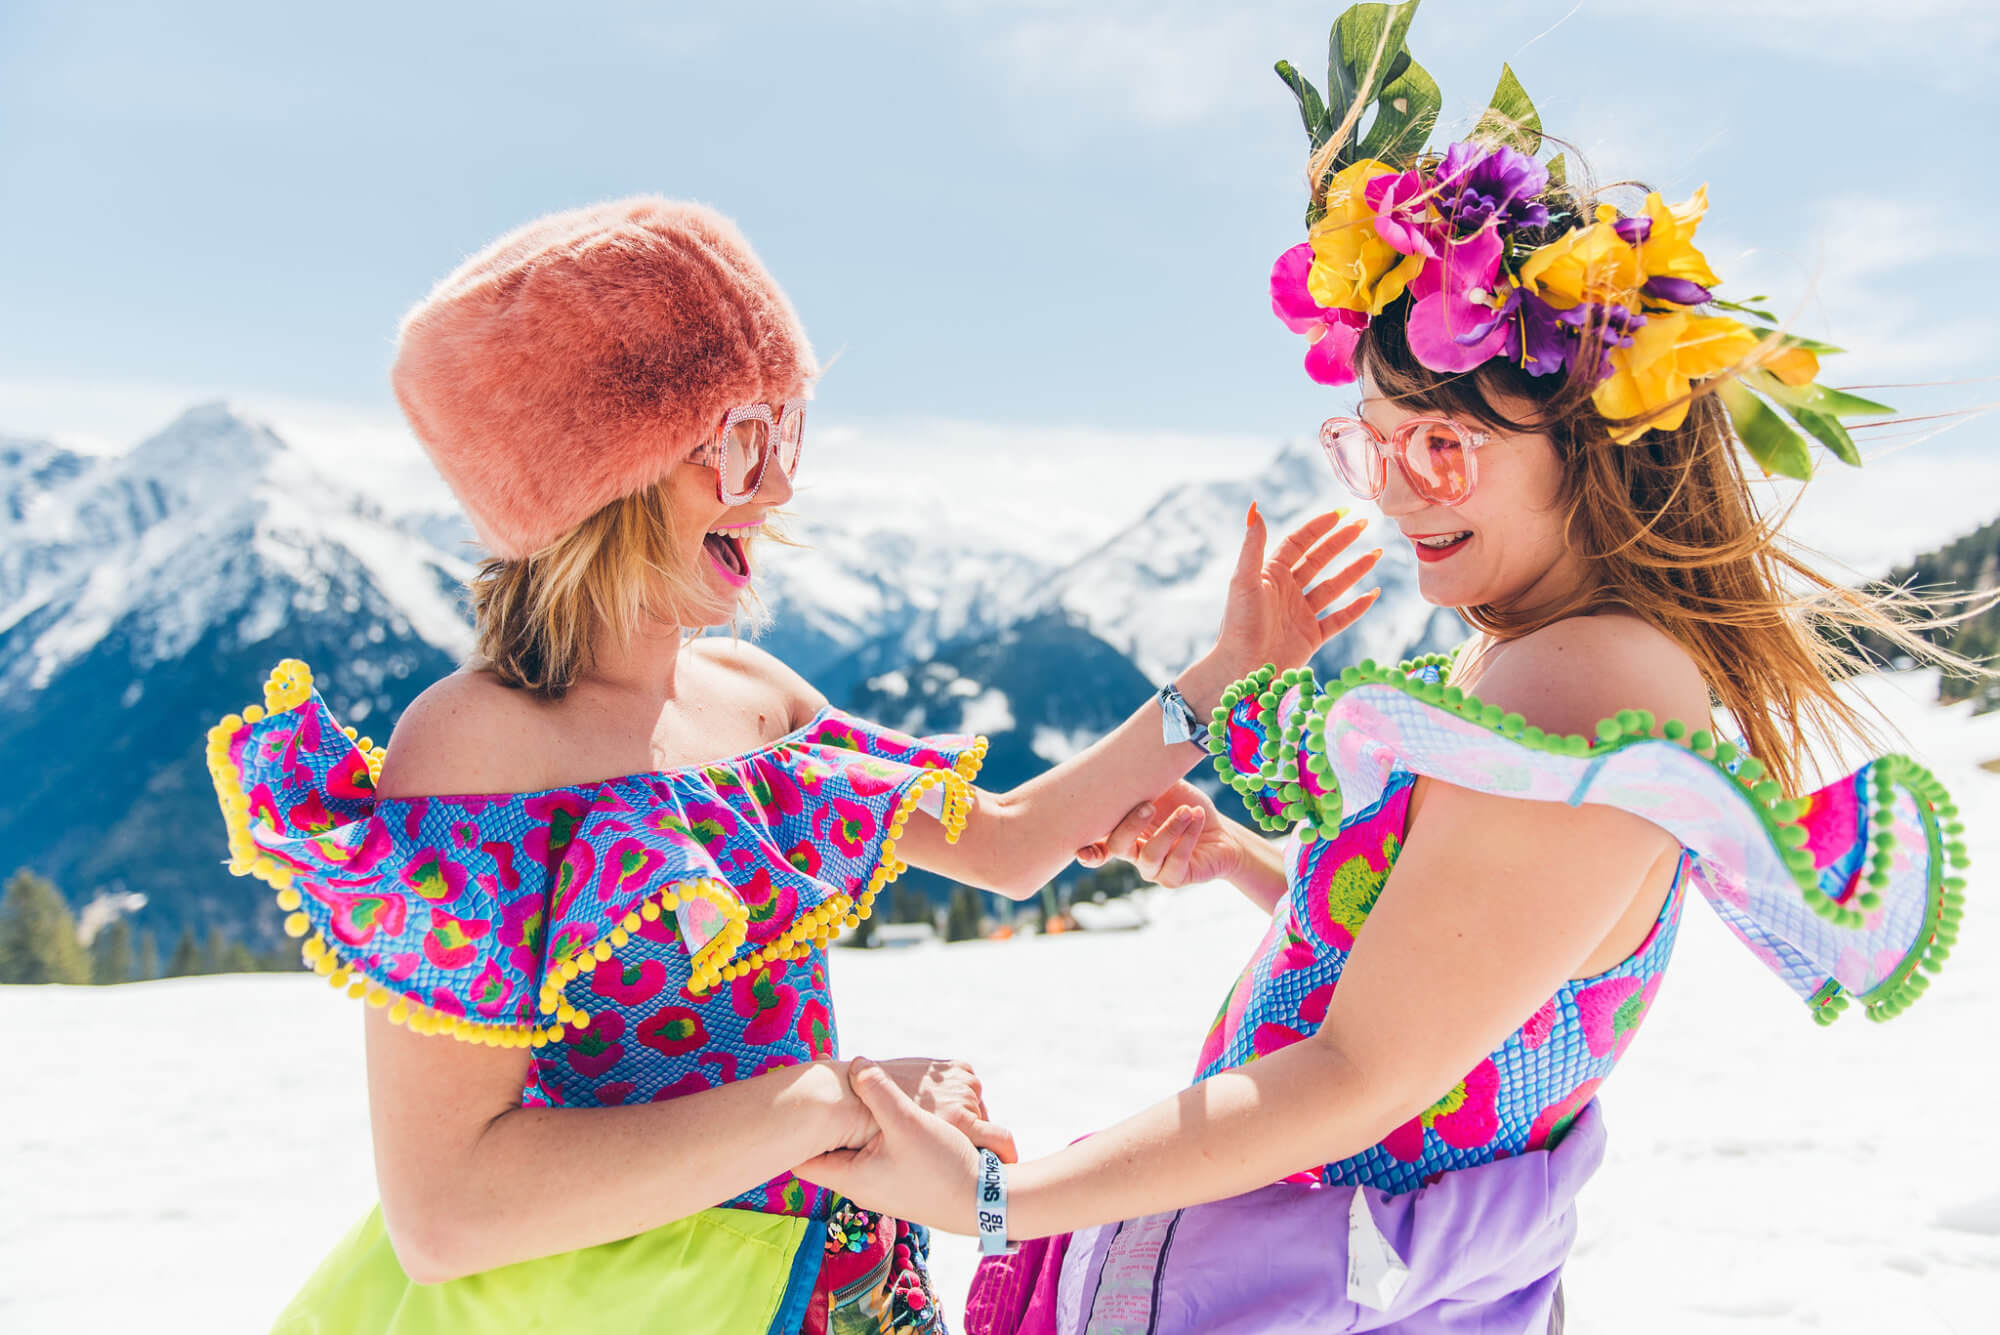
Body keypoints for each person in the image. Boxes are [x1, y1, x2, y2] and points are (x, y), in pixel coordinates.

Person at [791, 10, 1971, 1332]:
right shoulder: (1540, 653)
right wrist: (1248, 863)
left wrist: (997, 1197)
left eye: (1445, 445)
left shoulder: (1583, 686)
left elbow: (1365, 1070)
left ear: (1594, 445)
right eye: (1374, 440)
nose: (1398, 490)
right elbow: (1458, 971)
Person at [204, 197, 1380, 1333]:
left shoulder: (752, 699)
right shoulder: (475, 748)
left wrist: (1222, 678)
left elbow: (1013, 843)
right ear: (594, 477)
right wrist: (832, 1102)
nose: (775, 488)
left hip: (814, 1281)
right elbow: (447, 1212)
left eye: (784, 434)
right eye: (734, 445)